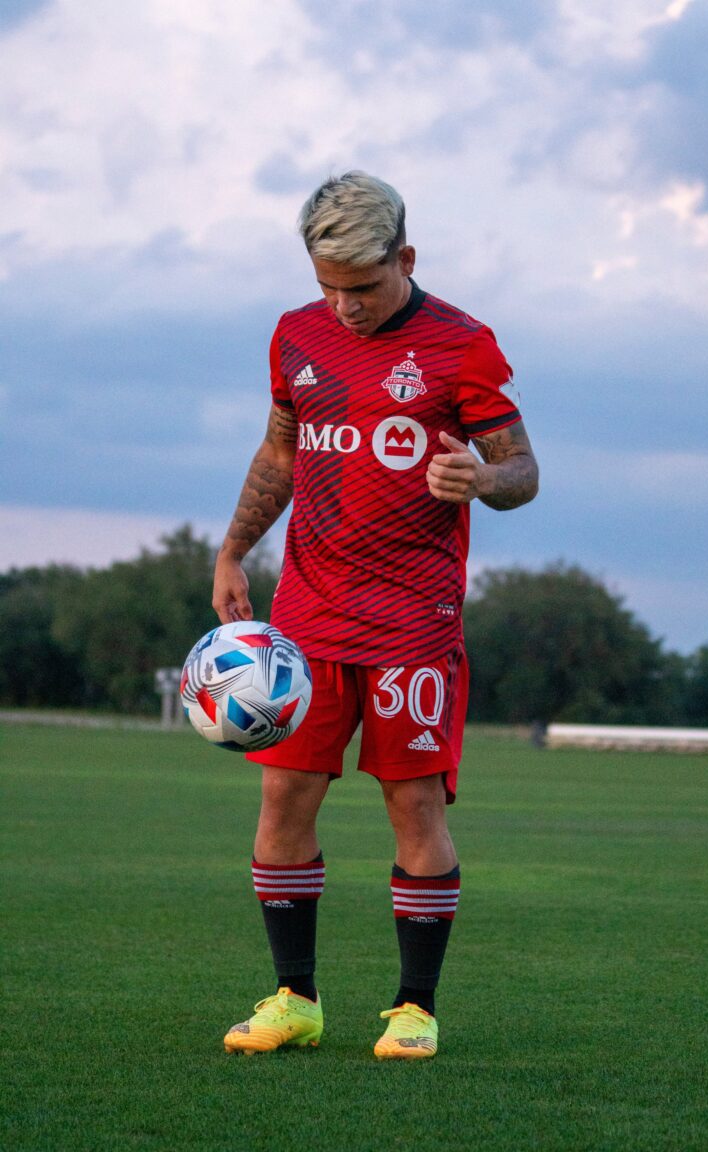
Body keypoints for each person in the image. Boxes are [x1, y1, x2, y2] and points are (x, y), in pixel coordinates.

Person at [212, 171, 538, 1060]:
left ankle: (414, 1009)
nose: (344, 307)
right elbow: (281, 450)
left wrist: (483, 477)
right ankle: (295, 999)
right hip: (308, 619)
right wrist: (235, 550)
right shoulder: (294, 335)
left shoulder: (463, 345)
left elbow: (522, 471)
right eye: (328, 286)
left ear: (407, 257)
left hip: (413, 625)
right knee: (284, 796)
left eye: (362, 286)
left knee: (414, 806)